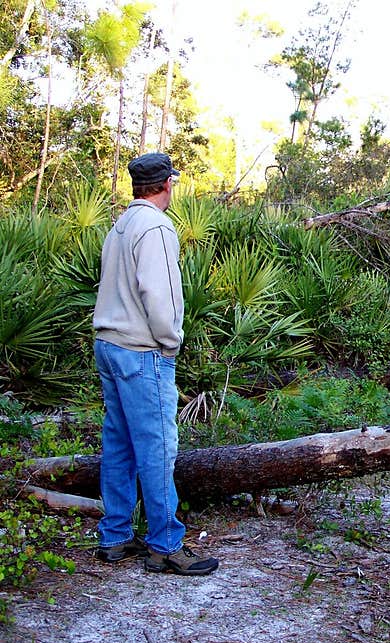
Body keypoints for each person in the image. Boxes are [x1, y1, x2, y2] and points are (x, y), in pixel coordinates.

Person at [92, 152, 218, 576]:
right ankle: (165, 544)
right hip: (141, 350)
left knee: (120, 444)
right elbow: (159, 296)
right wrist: (170, 343)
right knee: (157, 447)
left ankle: (115, 537)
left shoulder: (121, 225)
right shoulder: (157, 227)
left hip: (109, 344)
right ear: (167, 184)